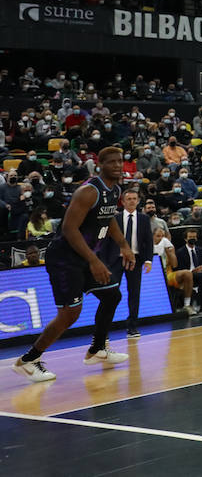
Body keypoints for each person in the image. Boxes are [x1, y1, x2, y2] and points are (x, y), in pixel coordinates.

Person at [10, 146, 136, 383]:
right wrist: (94, 260)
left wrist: (124, 245)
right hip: (65, 260)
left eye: (121, 161)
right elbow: (69, 229)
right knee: (70, 314)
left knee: (111, 295)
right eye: (112, 162)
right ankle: (29, 360)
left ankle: (97, 349)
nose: (118, 165)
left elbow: (108, 218)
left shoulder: (115, 189)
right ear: (100, 165)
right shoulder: (89, 191)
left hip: (85, 257)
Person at [117, 188, 154, 338]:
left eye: (134, 198)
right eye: (129, 199)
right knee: (111, 293)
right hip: (117, 260)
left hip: (136, 259)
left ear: (138, 201)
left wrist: (148, 260)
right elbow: (108, 241)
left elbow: (148, 241)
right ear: (123, 201)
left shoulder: (144, 219)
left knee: (134, 293)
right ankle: (104, 329)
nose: (132, 201)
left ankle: (132, 326)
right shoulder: (116, 219)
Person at [154, 225, 194, 315]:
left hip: (167, 273)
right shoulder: (148, 246)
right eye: (158, 236)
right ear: (152, 236)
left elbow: (175, 265)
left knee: (187, 274)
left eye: (163, 236)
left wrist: (170, 252)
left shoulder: (167, 245)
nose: (161, 239)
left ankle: (187, 305)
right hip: (153, 275)